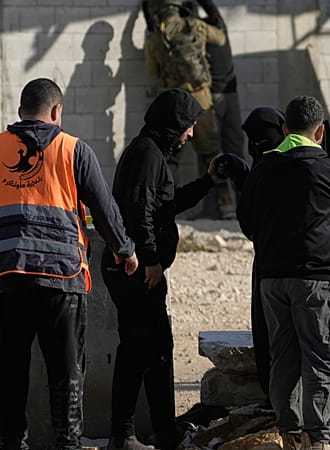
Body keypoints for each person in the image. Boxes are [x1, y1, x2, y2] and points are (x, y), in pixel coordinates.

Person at [0, 78, 138, 450]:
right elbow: (104, 209)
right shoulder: (74, 149)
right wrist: (125, 249)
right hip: (61, 278)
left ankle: (12, 443)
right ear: (56, 111)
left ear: (21, 111)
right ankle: (67, 444)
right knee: (66, 372)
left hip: (3, 277)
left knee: (9, 372)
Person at [237, 96, 330, 450]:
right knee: (319, 357)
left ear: (284, 129)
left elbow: (247, 225)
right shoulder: (328, 170)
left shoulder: (262, 169)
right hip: (316, 280)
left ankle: (288, 434)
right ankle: (318, 440)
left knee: (283, 356)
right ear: (320, 132)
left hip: (272, 280)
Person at [102, 88, 224, 450]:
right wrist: (152, 260)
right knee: (138, 351)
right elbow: (140, 212)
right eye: (188, 127)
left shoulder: (151, 154)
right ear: (173, 124)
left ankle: (164, 431)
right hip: (136, 269)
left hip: (140, 268)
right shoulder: (145, 155)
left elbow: (165, 205)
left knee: (155, 350)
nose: (190, 134)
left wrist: (208, 181)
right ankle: (122, 435)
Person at [143, 0, 228, 219]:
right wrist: (209, 10)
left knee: (170, 158)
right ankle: (225, 204)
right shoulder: (194, 25)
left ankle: (167, 206)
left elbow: (152, 72)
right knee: (211, 152)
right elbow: (220, 38)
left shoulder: (156, 37)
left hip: (173, 103)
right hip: (202, 99)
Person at [181, 0, 247, 219]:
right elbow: (213, 10)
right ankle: (240, 206)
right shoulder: (216, 28)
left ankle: (214, 207)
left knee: (208, 153)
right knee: (235, 151)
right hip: (231, 94)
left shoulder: (194, 35)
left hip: (211, 99)